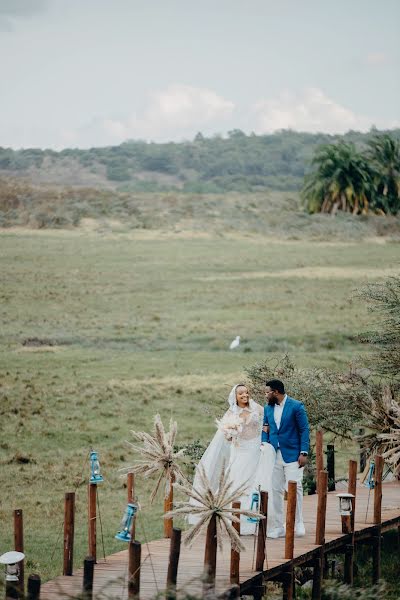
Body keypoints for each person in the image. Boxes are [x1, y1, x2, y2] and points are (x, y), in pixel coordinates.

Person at [189, 383, 275, 534]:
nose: (245, 395)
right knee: (237, 482)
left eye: (246, 392)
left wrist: (266, 433)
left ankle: (255, 521)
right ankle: (235, 521)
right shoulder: (231, 413)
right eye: (241, 393)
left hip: (255, 450)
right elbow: (226, 437)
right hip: (240, 451)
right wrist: (231, 433)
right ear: (235, 396)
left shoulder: (257, 408)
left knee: (256, 482)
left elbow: (268, 422)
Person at [262, 379, 310, 538]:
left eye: (268, 391)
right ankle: (277, 526)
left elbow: (304, 430)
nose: (266, 394)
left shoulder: (296, 406)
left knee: (294, 488)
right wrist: (264, 444)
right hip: (274, 455)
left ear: (276, 392)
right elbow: (265, 428)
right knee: (275, 491)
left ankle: (298, 522)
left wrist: (304, 452)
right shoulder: (267, 408)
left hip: (293, 455)